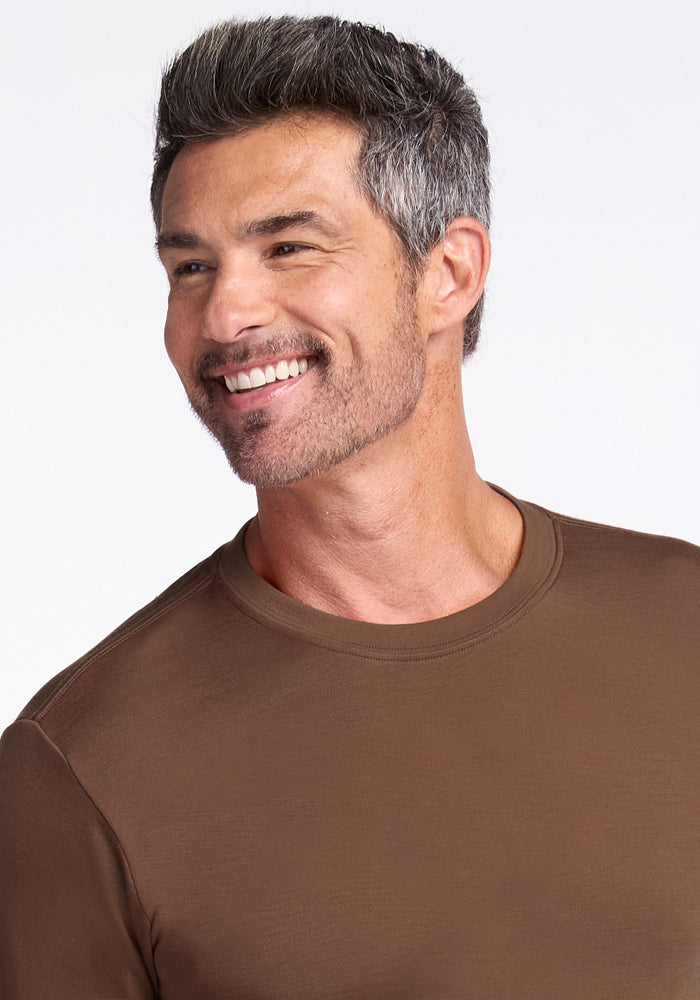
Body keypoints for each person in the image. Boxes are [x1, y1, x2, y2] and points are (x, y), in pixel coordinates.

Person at [0, 14, 698, 998]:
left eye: (287, 246)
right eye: (188, 266)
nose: (224, 312)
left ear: (447, 274)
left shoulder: (683, 628)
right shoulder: (79, 767)